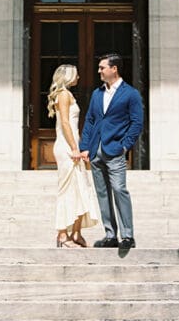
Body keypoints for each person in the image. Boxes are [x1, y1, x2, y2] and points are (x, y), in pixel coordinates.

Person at [79, 52, 143, 250]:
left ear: (114, 69)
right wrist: (84, 147)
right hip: (96, 151)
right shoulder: (97, 94)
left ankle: (127, 235)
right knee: (102, 193)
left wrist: (124, 145)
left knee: (119, 190)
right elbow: (90, 120)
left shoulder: (131, 94)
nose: (99, 71)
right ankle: (110, 234)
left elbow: (137, 122)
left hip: (115, 150)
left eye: (102, 68)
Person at [47, 64, 99, 247]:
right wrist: (74, 148)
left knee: (80, 188)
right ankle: (62, 234)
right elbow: (65, 123)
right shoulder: (63, 94)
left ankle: (76, 233)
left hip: (73, 144)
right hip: (66, 146)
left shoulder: (68, 94)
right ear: (68, 76)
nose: (79, 77)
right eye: (76, 74)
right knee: (67, 188)